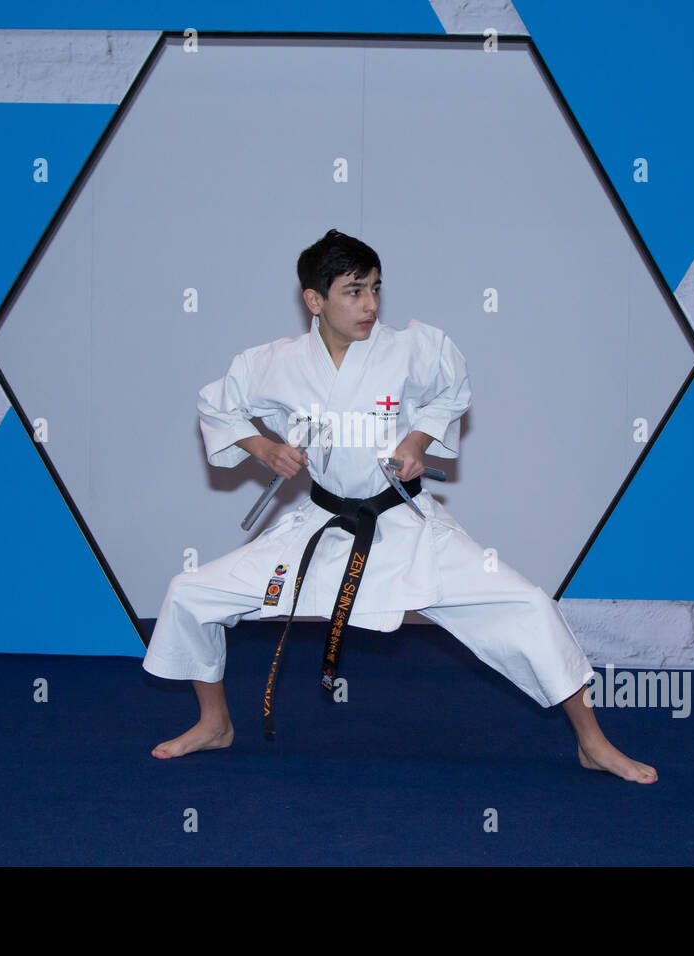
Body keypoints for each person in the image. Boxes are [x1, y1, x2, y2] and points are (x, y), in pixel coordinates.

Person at [143, 229, 657, 783]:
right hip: (322, 525)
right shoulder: (274, 363)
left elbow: (452, 390)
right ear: (314, 301)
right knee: (191, 593)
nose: (370, 304)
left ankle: (593, 741)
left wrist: (417, 441)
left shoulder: (413, 348)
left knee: (529, 605)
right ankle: (215, 723)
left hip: (405, 525)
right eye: (353, 291)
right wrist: (264, 448)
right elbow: (217, 405)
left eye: (376, 289)